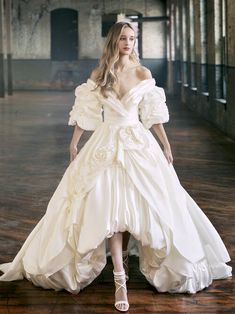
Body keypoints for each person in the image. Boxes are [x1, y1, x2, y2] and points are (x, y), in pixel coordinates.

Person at [0, 21, 232, 313]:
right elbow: (86, 111)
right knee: (106, 206)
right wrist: (74, 142)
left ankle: (140, 265)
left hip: (137, 143)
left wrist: (166, 144)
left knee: (149, 204)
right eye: (123, 38)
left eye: (132, 38)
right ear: (114, 41)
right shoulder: (100, 74)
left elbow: (152, 114)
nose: (128, 43)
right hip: (105, 143)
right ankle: (119, 278)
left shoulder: (142, 73)